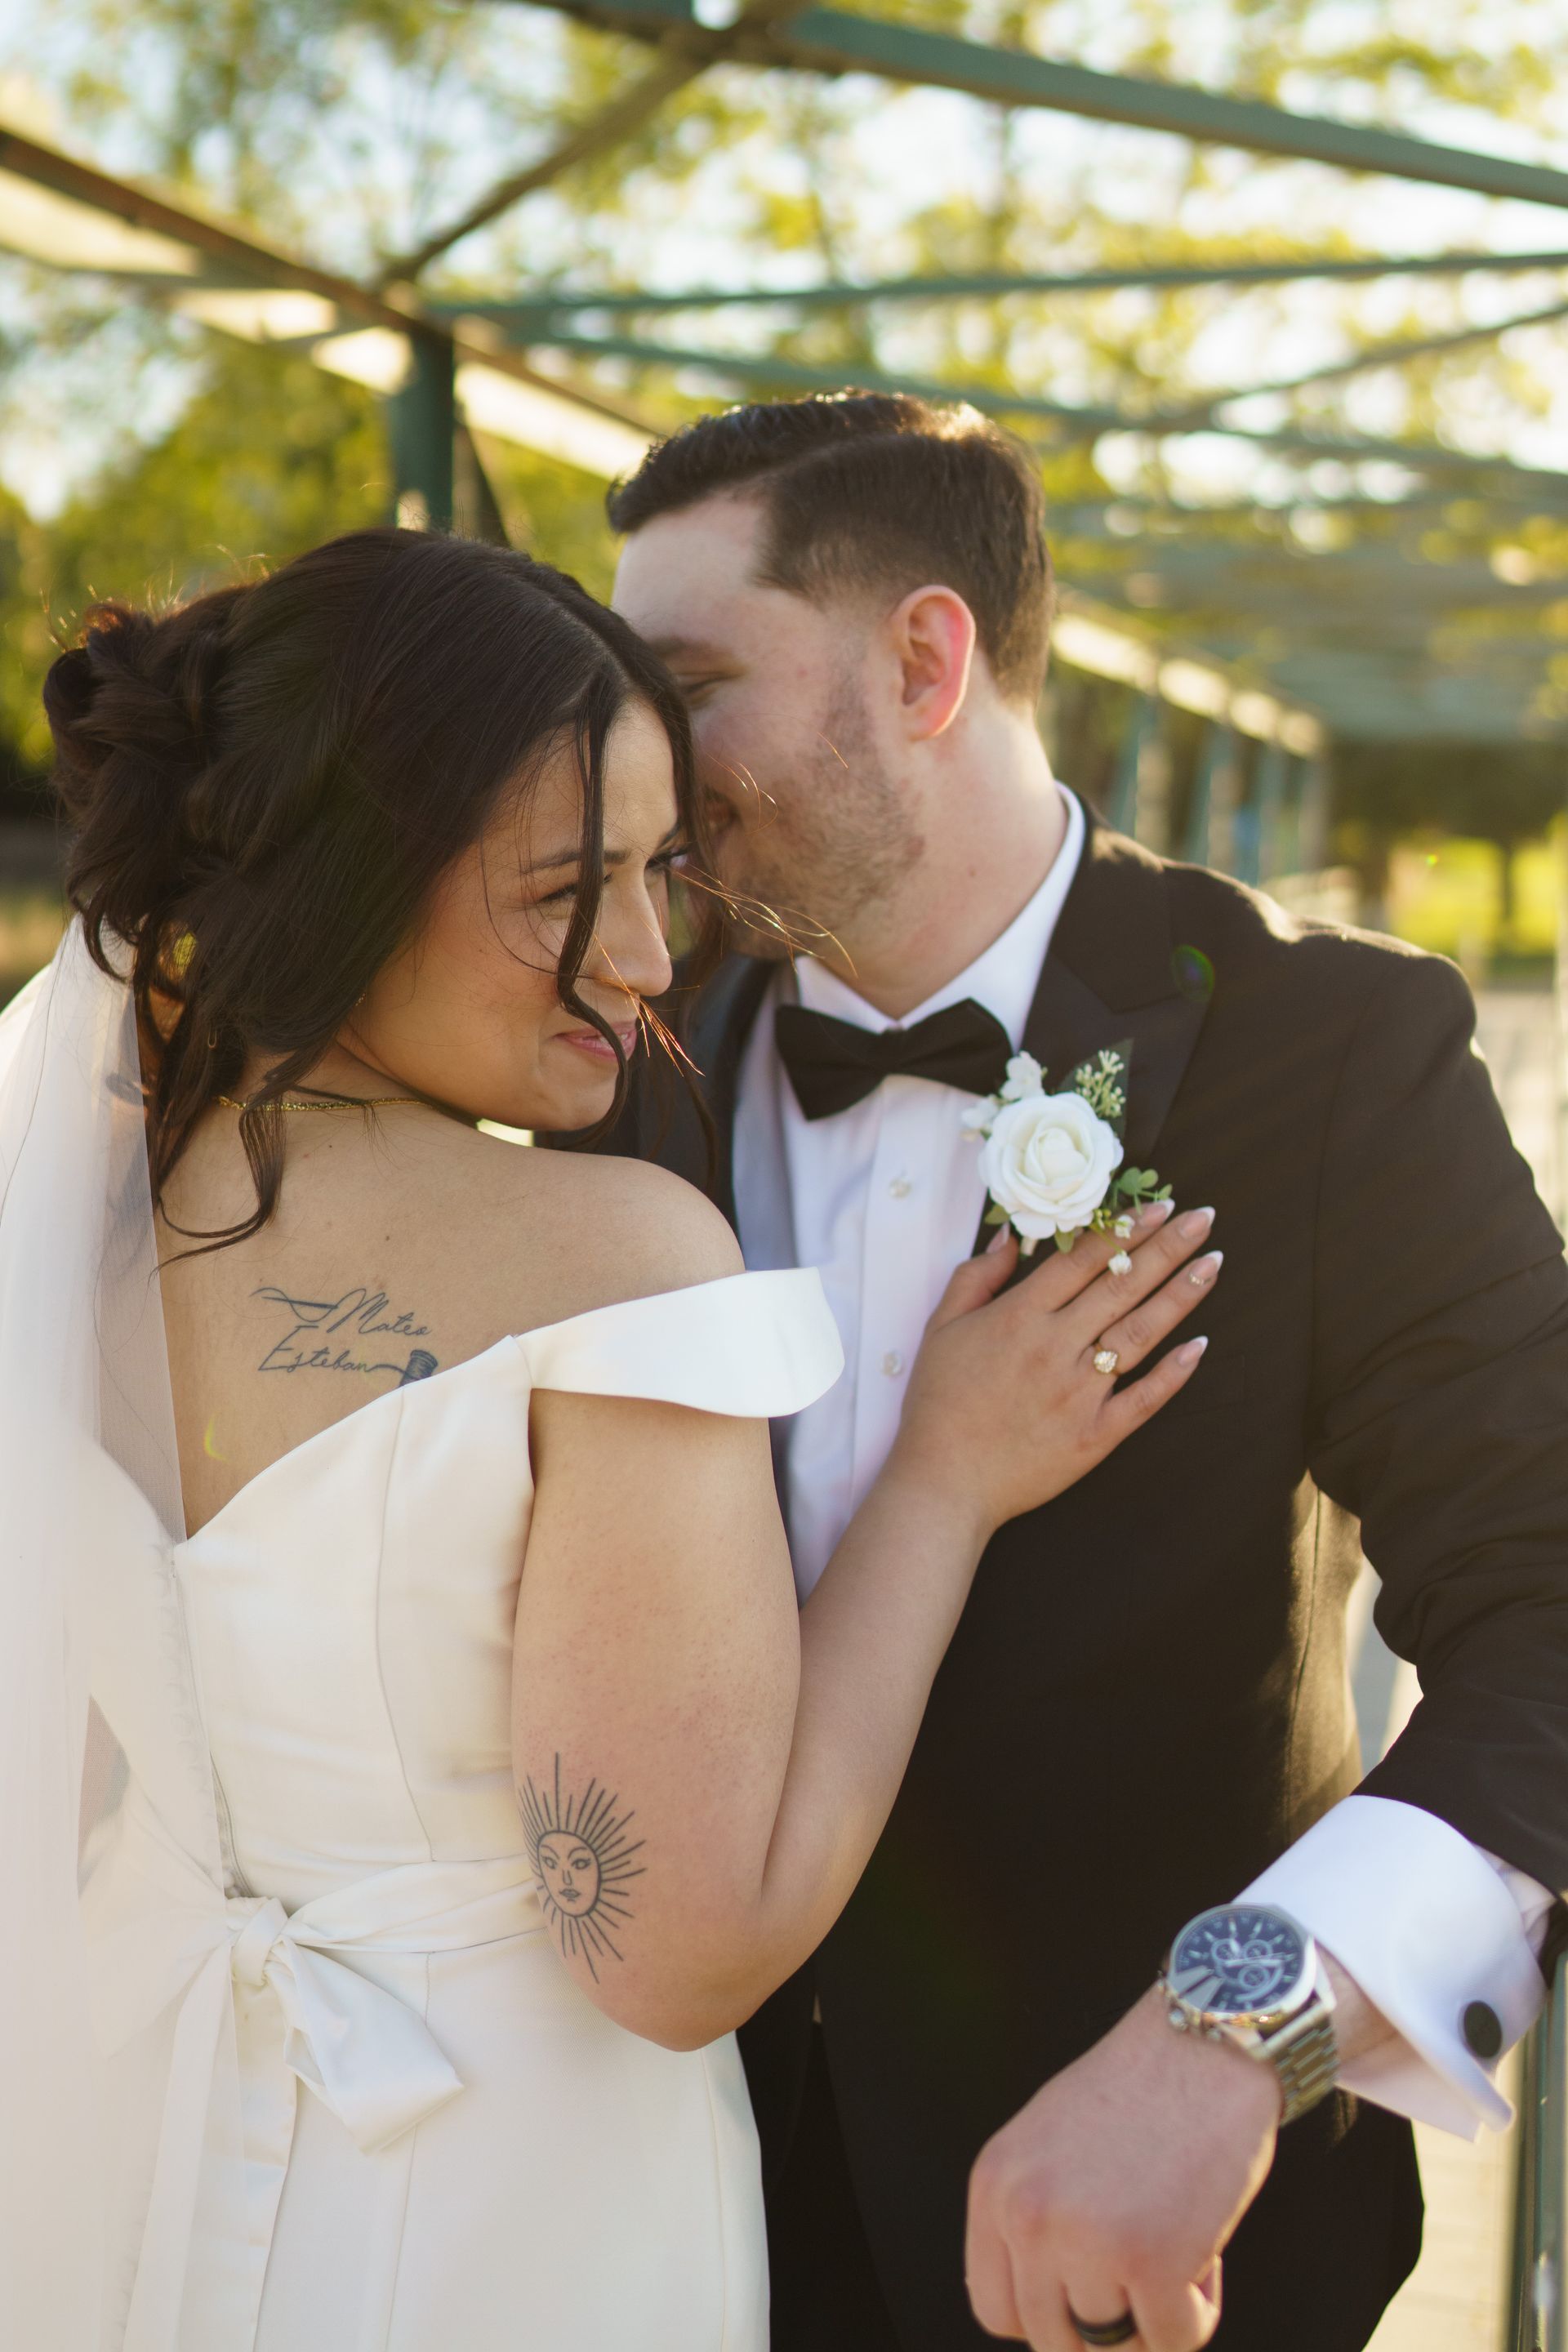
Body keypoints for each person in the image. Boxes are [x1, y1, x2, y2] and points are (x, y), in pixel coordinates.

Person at [0, 527, 1215, 2352]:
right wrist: (945, 1482)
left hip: (149, 2170)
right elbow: (683, 1943)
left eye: (660, 869)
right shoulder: (607, 1253)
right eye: (566, 886)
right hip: (511, 2213)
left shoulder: (68, 1237)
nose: (647, 956)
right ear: (351, 874)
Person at [603, 391, 1568, 2352]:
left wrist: (1240, 2030)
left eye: (686, 683)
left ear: (926, 658)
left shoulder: (1335, 1054)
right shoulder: (612, 1057)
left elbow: (1549, 1608)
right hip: (655, 2226)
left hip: (1140, 2257)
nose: (633, 759)